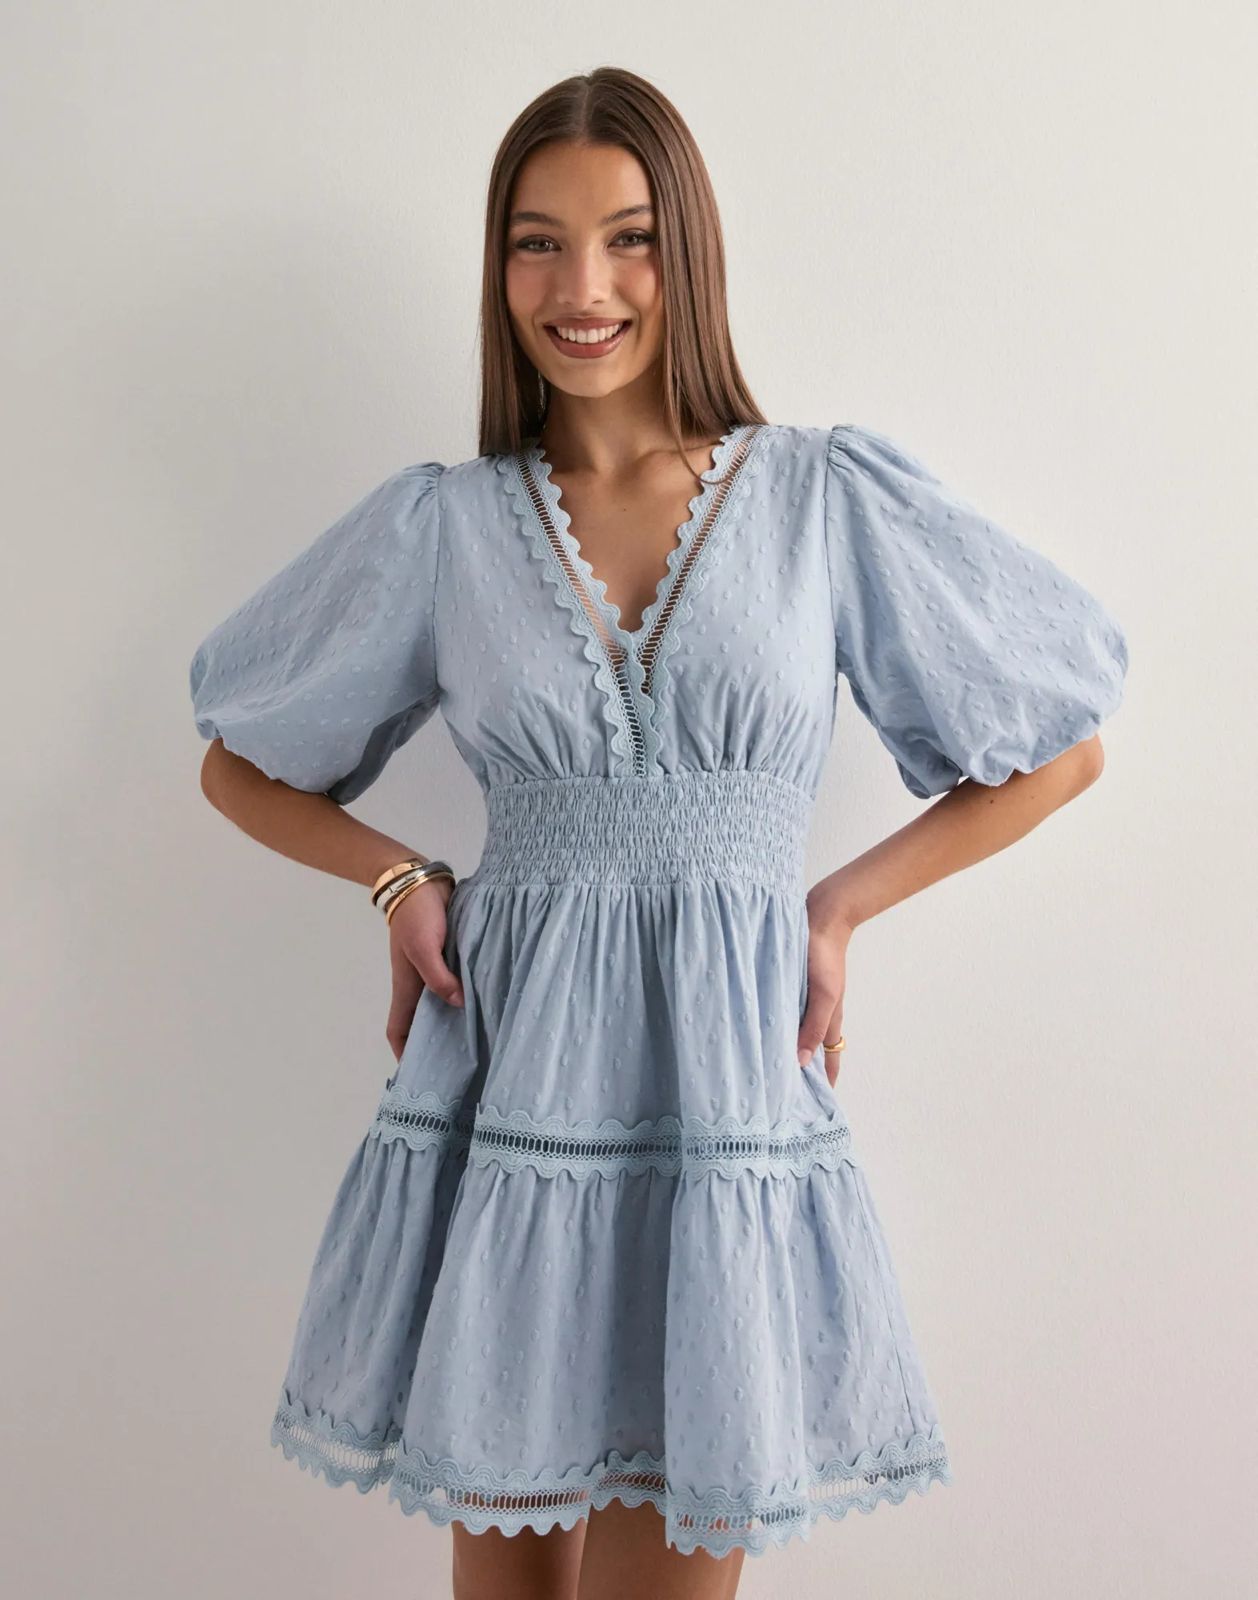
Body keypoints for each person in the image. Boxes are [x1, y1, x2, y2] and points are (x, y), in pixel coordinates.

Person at [188, 66, 1128, 1600]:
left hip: (720, 1100)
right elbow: (239, 766)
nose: (582, 288)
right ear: (497, 267)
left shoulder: (821, 498)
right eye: (536, 243)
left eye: (627, 238)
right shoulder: (444, 526)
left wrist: (834, 908)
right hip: (510, 1096)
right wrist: (397, 877)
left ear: (686, 250)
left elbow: (1059, 749)